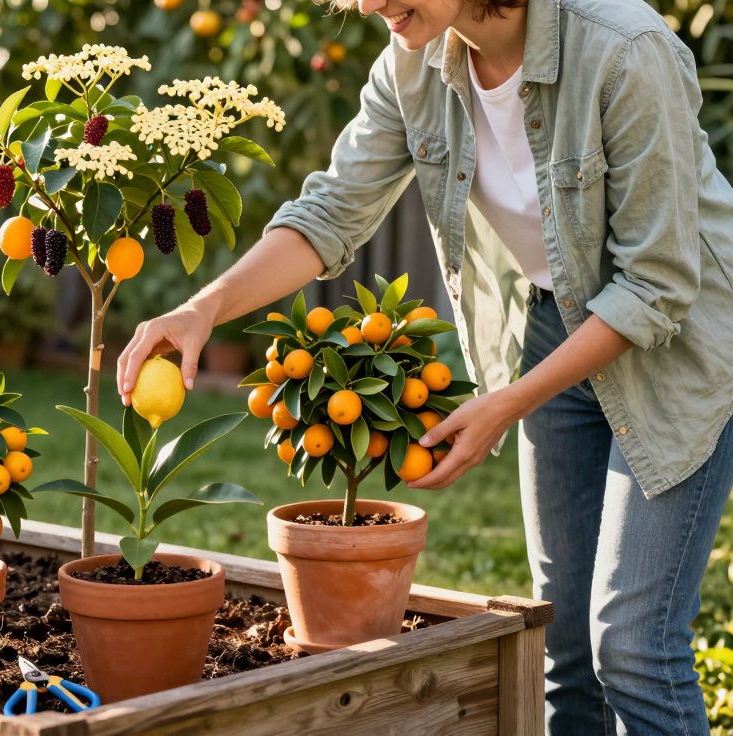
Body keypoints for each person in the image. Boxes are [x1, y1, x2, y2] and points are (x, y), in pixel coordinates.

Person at [116, 0, 733, 732]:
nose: (368, 5)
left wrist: (507, 403)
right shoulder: (414, 65)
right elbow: (331, 212)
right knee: (564, 643)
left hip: (684, 341)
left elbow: (656, 284)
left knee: (632, 646)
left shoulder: (624, 48)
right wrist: (204, 309)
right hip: (556, 321)